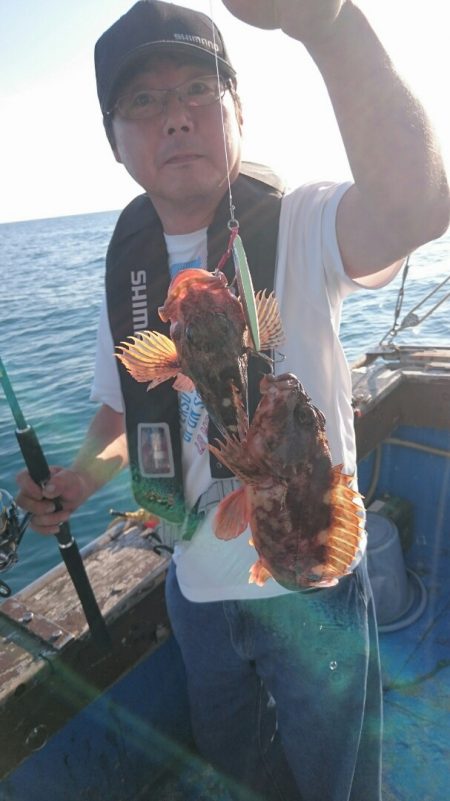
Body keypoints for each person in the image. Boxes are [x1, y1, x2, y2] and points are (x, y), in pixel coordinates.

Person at [16, 2, 449, 800]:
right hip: (198, 591)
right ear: (114, 140)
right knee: (235, 764)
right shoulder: (129, 269)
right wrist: (78, 478)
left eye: (196, 90)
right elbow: (120, 413)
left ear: (237, 114)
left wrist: (327, 21)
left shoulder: (300, 221)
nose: (175, 115)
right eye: (143, 101)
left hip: (314, 578)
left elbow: (417, 204)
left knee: (340, 777)